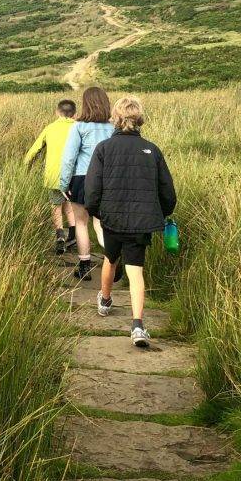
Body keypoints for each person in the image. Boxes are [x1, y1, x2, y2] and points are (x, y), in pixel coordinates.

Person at [85, 96, 176, 348]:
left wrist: (96, 212)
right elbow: (167, 191)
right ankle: (138, 325)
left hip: (112, 217)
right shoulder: (152, 150)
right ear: (139, 119)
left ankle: (104, 300)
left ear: (116, 118)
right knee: (136, 270)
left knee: (110, 259)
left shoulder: (103, 148)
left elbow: (92, 189)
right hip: (142, 220)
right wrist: (164, 212)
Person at [59, 87, 114, 281]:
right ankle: (113, 262)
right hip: (107, 180)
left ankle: (84, 265)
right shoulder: (113, 127)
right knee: (102, 225)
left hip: (82, 178)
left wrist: (64, 184)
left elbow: (68, 158)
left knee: (81, 223)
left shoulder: (79, 127)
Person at [24, 99, 78, 254]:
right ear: (75, 114)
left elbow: (34, 151)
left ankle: (60, 236)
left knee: (56, 206)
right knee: (70, 204)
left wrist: (25, 167)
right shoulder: (78, 127)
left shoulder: (50, 128)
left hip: (54, 175)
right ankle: (73, 235)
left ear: (57, 112)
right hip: (75, 175)